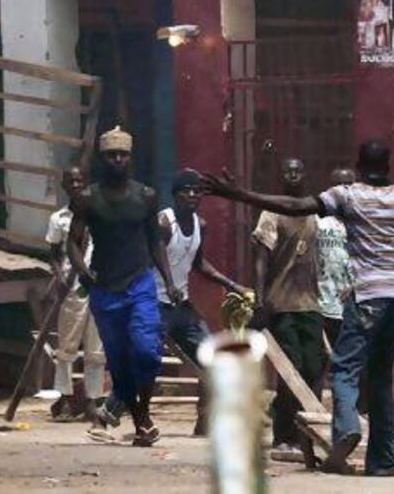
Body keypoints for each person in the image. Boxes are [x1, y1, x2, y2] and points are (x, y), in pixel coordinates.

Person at [202, 139, 394, 476]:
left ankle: (346, 427)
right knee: (380, 377)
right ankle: (384, 461)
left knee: (345, 370)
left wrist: (241, 195)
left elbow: (295, 205)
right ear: (388, 167)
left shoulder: (348, 194)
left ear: (359, 167)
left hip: (368, 294)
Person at [91, 169, 248, 438]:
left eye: (196, 191)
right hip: (154, 301)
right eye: (186, 191)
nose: (192, 195)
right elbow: (152, 251)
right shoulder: (165, 222)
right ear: (175, 195)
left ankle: (204, 421)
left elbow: (199, 264)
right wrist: (167, 284)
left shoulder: (201, 224)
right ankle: (107, 416)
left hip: (181, 304)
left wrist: (232, 285)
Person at [68, 126, 175, 447]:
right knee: (118, 360)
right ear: (103, 159)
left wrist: (168, 281)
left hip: (139, 283)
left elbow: (155, 242)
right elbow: (72, 243)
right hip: (104, 287)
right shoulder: (87, 198)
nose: (117, 159)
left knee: (146, 351)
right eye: (111, 155)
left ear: (130, 158)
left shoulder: (146, 196)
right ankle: (142, 422)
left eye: (122, 155)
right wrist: (83, 272)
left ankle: (141, 414)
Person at [251, 158, 324, 457]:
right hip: (281, 303)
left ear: (305, 174)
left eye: (298, 170)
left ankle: (307, 435)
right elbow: (261, 259)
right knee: (290, 369)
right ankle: (284, 435)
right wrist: (259, 299)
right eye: (287, 171)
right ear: (281, 176)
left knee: (313, 368)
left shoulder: (312, 212)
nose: (293, 175)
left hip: (310, 303)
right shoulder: (271, 213)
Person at [46, 167, 105, 421]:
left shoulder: (99, 214)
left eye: (81, 179)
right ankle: (65, 397)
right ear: (64, 185)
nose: (76, 184)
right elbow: (53, 251)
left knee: (97, 347)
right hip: (73, 286)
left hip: (100, 285)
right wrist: (59, 276)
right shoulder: (59, 218)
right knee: (67, 344)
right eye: (71, 181)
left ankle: (92, 399)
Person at [317, 168, 356, 349]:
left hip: (356, 308)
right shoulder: (318, 222)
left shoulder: (365, 225)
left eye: (347, 185)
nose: (342, 190)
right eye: (338, 185)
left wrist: (356, 285)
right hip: (323, 306)